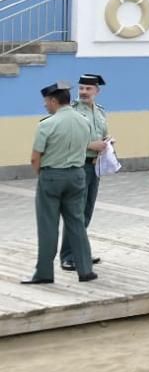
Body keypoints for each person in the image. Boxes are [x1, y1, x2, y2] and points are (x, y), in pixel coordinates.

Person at [23, 81, 96, 284]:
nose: (45, 105)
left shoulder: (46, 124)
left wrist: (43, 176)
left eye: (46, 101)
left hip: (52, 176)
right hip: (77, 175)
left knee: (48, 226)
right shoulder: (84, 121)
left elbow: (35, 158)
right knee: (77, 224)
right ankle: (85, 270)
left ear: (54, 100)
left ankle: (44, 273)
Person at [63, 72, 108, 273]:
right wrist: (92, 145)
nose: (83, 92)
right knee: (75, 212)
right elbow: (66, 141)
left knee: (87, 211)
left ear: (97, 91)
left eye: (88, 89)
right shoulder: (71, 111)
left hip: (94, 165)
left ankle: (80, 251)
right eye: (81, 88)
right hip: (77, 165)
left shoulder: (100, 111)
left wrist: (107, 143)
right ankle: (68, 256)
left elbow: (102, 133)